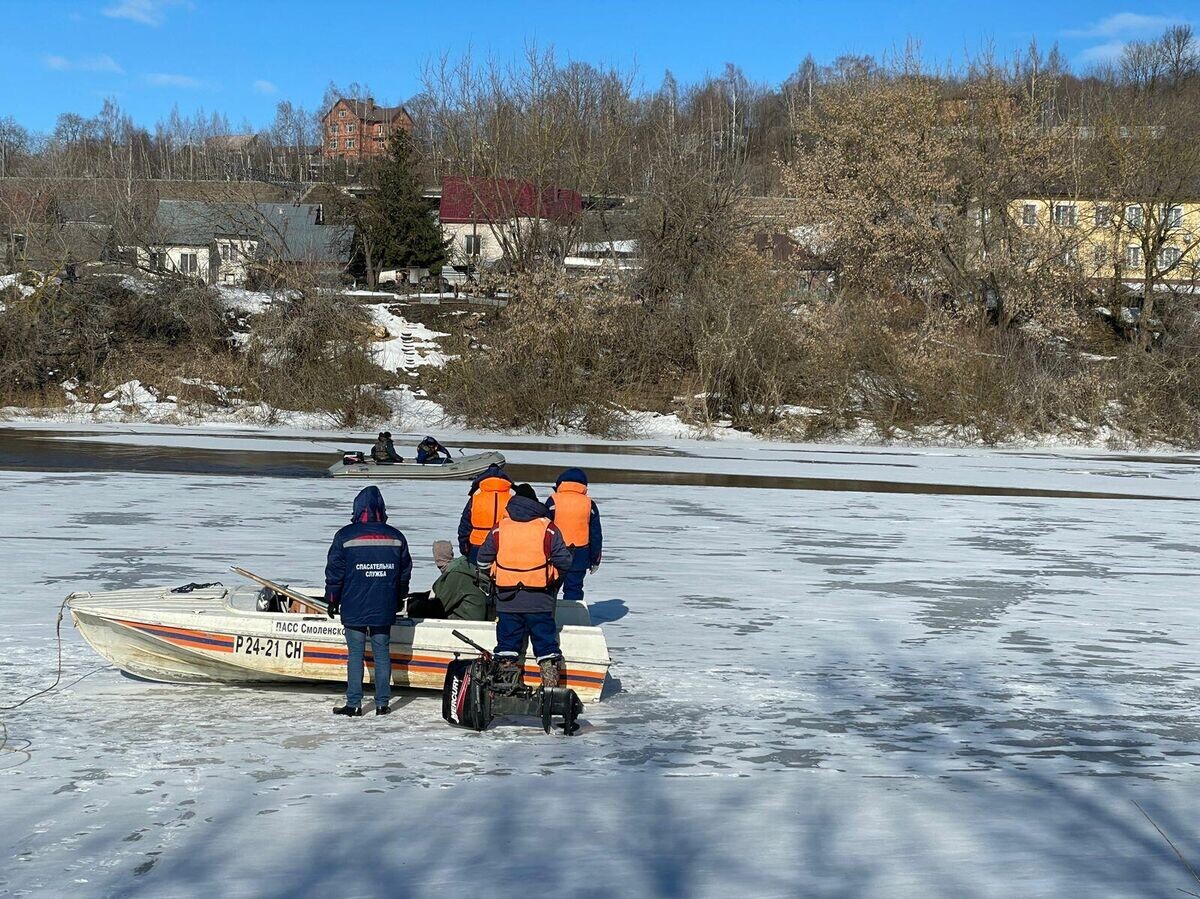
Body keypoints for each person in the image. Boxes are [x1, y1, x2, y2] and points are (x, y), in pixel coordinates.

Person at [324, 485, 412, 717]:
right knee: (382, 652)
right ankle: (382, 703)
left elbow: (335, 572)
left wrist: (332, 598)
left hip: (354, 603)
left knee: (355, 654)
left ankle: (354, 704)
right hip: (384, 602)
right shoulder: (396, 536)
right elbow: (404, 572)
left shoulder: (345, 535)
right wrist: (399, 596)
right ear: (381, 509)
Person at [476, 483, 573, 688]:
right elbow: (565, 561)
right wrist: (552, 576)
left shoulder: (499, 528)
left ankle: (505, 687)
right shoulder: (548, 528)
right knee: (546, 647)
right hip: (540, 600)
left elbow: (482, 560)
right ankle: (550, 690)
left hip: (507, 599)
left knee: (507, 646)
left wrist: (495, 575)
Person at [546, 468, 603, 602]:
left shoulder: (553, 501)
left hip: (555, 552)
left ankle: (547, 616)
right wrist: (595, 559)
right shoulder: (589, 504)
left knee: (549, 587)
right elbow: (595, 535)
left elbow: (543, 528)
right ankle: (572, 615)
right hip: (580, 554)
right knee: (574, 589)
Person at [457, 464, 513, 565]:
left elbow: (465, 525)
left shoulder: (475, 498)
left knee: (476, 578)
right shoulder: (512, 499)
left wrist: (464, 547)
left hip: (477, 545)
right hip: (503, 546)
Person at [429, 540, 491, 620]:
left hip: (469, 620)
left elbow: (440, 606)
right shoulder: (462, 567)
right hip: (475, 615)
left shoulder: (456, 575)